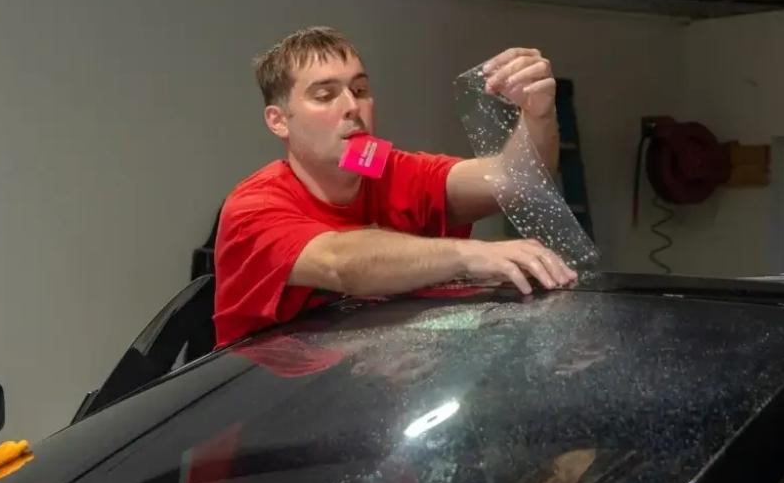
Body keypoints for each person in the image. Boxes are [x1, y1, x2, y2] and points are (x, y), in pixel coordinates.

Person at [214, 26, 577, 346]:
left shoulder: (386, 169)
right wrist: (470, 255)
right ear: (279, 121)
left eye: (359, 90)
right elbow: (340, 263)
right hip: (271, 407)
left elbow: (519, 181)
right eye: (325, 96)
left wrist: (538, 113)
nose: (351, 106)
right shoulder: (253, 206)